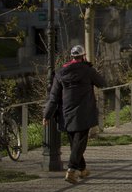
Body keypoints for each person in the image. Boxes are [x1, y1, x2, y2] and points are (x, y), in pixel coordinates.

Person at [43, 44, 105, 184]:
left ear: (71, 57)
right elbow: (102, 83)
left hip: (66, 114)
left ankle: (82, 169)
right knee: (79, 144)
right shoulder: (88, 71)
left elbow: (53, 98)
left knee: (75, 144)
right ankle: (71, 170)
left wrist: (46, 115)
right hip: (84, 113)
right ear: (83, 56)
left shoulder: (60, 73)